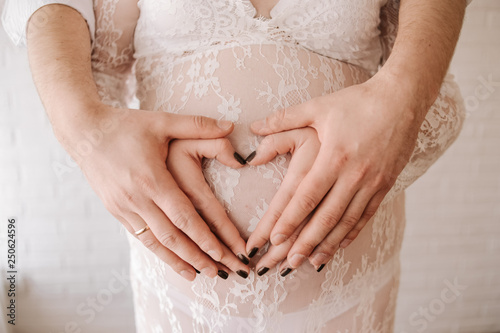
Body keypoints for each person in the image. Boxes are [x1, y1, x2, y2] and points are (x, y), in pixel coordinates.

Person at [3, 0, 470, 331]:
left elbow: (427, 96)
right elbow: (89, 67)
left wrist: (398, 112)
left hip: (347, 297)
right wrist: (95, 138)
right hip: (184, 304)